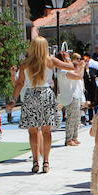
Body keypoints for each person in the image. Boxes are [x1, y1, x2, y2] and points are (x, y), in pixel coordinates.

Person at [13, 36, 74, 173]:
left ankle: (35, 161)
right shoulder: (50, 60)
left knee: (33, 131)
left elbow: (20, 83)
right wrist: (67, 57)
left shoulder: (25, 64)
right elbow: (70, 67)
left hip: (31, 95)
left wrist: (13, 99)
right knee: (47, 131)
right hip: (46, 94)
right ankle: (46, 162)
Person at [55, 52, 85, 146]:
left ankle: (74, 137)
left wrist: (80, 67)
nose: (70, 61)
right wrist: (82, 67)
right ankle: (68, 139)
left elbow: (78, 74)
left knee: (76, 119)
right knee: (71, 119)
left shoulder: (67, 70)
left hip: (75, 95)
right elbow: (78, 76)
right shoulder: (63, 71)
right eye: (67, 59)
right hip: (70, 97)